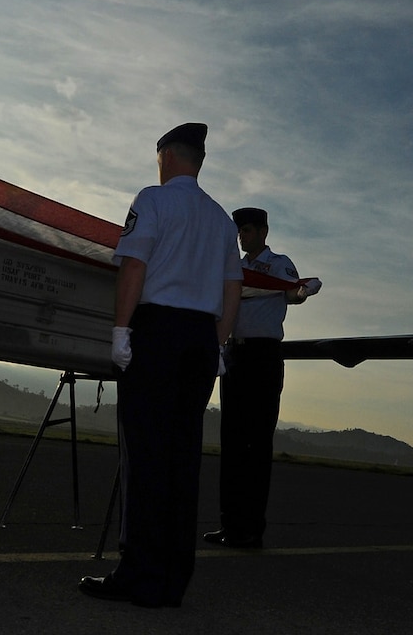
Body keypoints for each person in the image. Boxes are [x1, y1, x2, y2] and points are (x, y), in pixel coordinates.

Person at [79, 123, 242, 608]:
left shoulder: (152, 199)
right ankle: (172, 577)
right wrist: (217, 343)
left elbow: (134, 265)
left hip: (157, 331)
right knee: (181, 458)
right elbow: (232, 288)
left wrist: (120, 330)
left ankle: (140, 574)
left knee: (145, 456)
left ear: (166, 156)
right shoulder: (221, 219)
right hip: (199, 337)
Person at [203, 206, 321, 548]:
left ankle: (251, 528)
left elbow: (291, 293)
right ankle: (229, 524)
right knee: (233, 441)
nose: (242, 237)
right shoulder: (235, 267)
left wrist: (303, 291)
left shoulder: (278, 263)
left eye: (248, 232)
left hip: (263, 358)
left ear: (264, 232)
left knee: (255, 444)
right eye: (240, 232)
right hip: (234, 354)